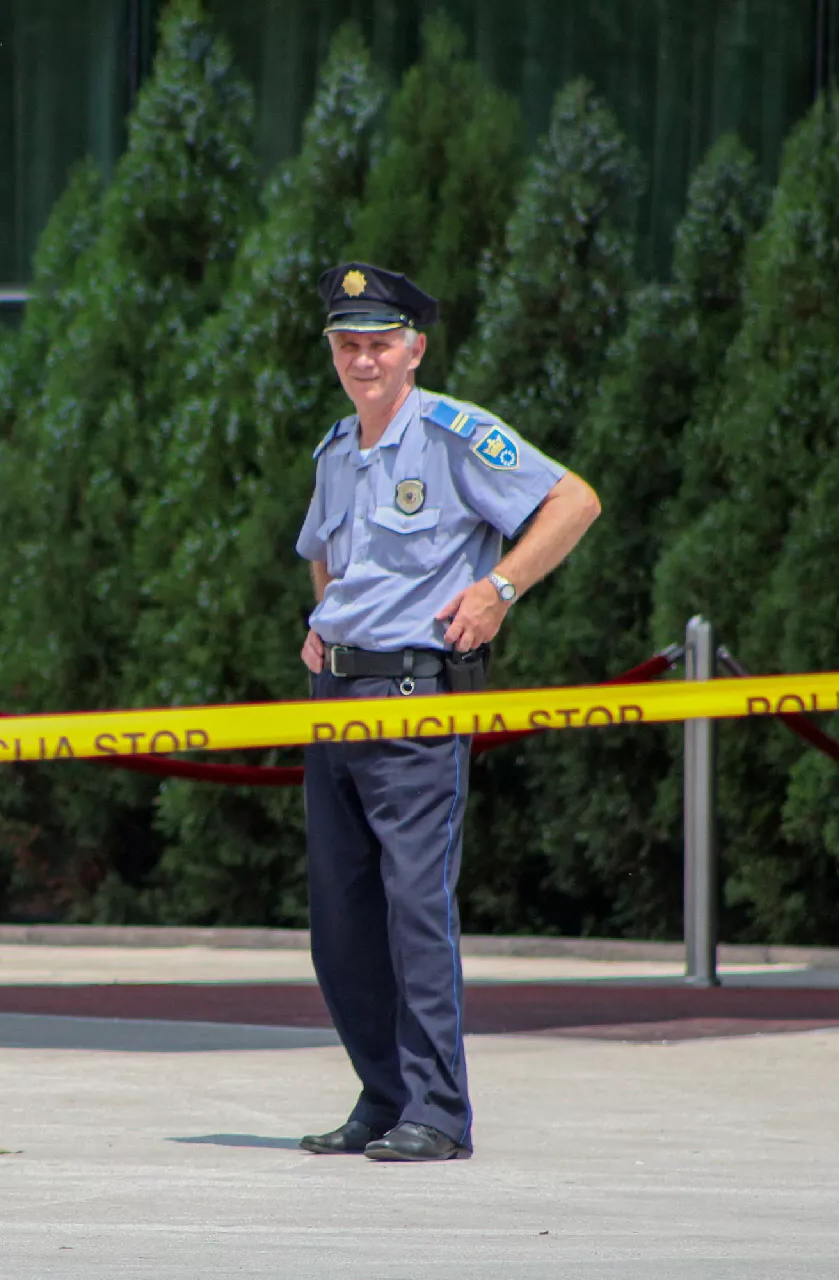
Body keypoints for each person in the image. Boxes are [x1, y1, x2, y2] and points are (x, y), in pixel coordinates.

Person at [294, 262, 601, 1162]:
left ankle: (437, 1109)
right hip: (334, 704)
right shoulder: (335, 450)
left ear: (415, 350)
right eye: (347, 345)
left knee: (414, 911)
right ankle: (384, 1095)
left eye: (380, 345)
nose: (363, 360)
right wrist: (325, 621)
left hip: (413, 707)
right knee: (340, 922)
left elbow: (573, 500)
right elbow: (322, 555)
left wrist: (499, 589)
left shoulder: (455, 435)